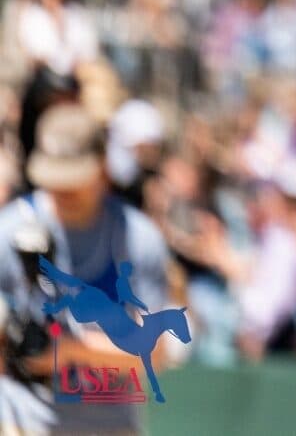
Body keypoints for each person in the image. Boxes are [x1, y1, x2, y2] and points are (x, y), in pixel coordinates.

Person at [0, 105, 176, 434]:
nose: (63, 189)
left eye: (74, 178)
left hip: (109, 425)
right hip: (21, 420)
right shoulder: (11, 230)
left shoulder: (136, 237)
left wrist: (67, 350)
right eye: (54, 177)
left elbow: (156, 352)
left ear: (103, 167)